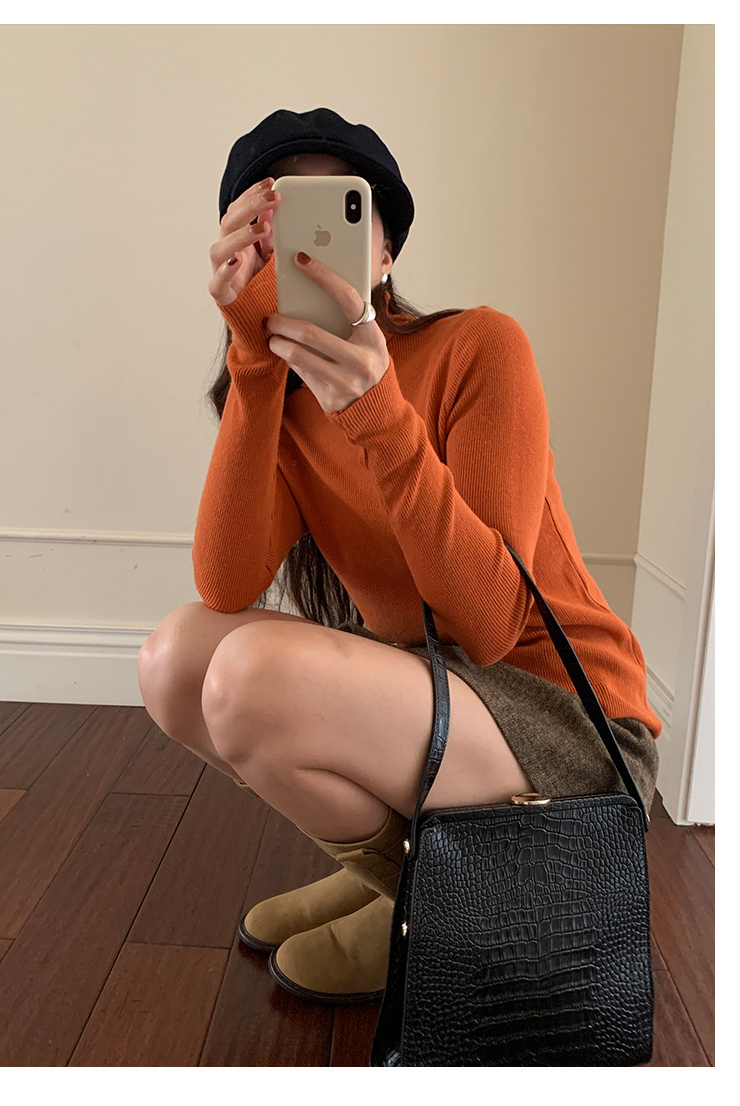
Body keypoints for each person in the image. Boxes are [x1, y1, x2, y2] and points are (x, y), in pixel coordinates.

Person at [138, 107, 661, 1006]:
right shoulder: (278, 397)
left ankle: (431, 910)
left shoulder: (479, 347)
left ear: (382, 252)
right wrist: (253, 361)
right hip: (438, 705)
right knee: (176, 660)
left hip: (568, 722)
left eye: (337, 211)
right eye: (272, 219)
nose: (304, 243)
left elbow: (489, 627)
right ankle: (402, 879)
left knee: (250, 677)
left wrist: (377, 412)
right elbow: (223, 585)